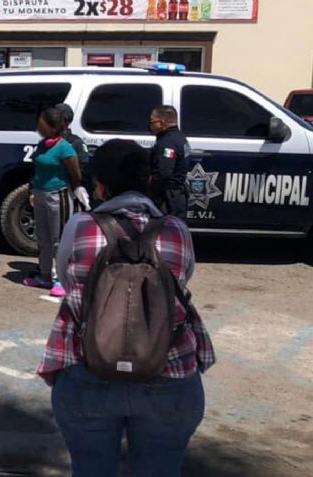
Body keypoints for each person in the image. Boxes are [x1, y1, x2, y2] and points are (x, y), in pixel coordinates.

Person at [37, 139, 215, 477]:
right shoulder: (176, 230)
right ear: (148, 180)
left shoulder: (80, 226)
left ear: (100, 186)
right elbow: (183, 278)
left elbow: (66, 276)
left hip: (88, 370)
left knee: (90, 469)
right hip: (169, 370)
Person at [23, 108, 90, 298]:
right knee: (43, 238)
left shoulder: (65, 147)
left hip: (58, 194)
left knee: (58, 239)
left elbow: (75, 173)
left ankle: (61, 278)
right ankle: (44, 275)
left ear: (53, 127)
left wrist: (75, 189)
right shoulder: (42, 144)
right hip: (40, 193)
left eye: (42, 125)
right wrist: (33, 190)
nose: (38, 128)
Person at [149, 105, 190, 220]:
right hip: (177, 195)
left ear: (161, 122)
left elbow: (164, 173)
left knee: (163, 231)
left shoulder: (167, 142)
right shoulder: (180, 137)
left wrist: (150, 190)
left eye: (152, 121)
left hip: (167, 199)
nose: (150, 124)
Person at [54, 103, 91, 192]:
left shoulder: (76, 143)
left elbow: (83, 170)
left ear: (66, 121)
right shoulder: (46, 143)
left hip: (67, 192)